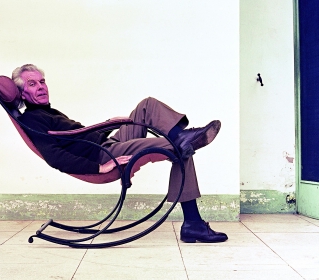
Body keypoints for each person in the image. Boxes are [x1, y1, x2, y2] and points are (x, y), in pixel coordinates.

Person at [13, 64, 228, 243]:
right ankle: (193, 222)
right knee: (182, 148)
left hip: (108, 142)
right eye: (33, 84)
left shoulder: (47, 112)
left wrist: (109, 125)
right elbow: (55, 157)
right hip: (104, 155)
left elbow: (80, 135)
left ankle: (181, 137)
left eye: (42, 81)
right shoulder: (33, 120)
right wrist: (99, 167)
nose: (41, 87)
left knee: (147, 105)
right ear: (22, 93)